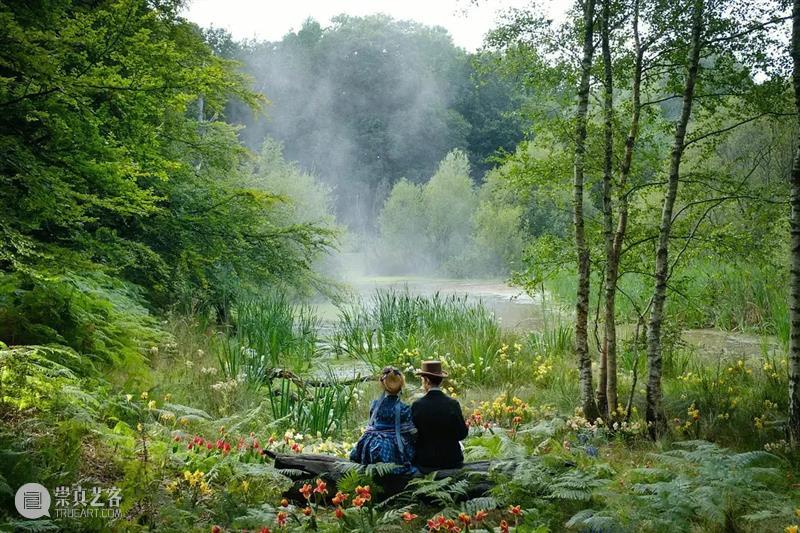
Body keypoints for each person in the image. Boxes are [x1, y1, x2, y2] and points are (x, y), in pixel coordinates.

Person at [350, 367, 416, 473]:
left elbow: (371, 424)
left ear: (382, 385)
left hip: (372, 443)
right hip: (392, 446)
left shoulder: (375, 404)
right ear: (401, 386)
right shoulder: (404, 408)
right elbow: (410, 431)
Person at [412, 360, 468, 473]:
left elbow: (413, 436)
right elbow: (462, 434)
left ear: (426, 380)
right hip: (452, 461)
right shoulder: (453, 404)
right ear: (441, 381)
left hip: (426, 463)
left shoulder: (417, 405)